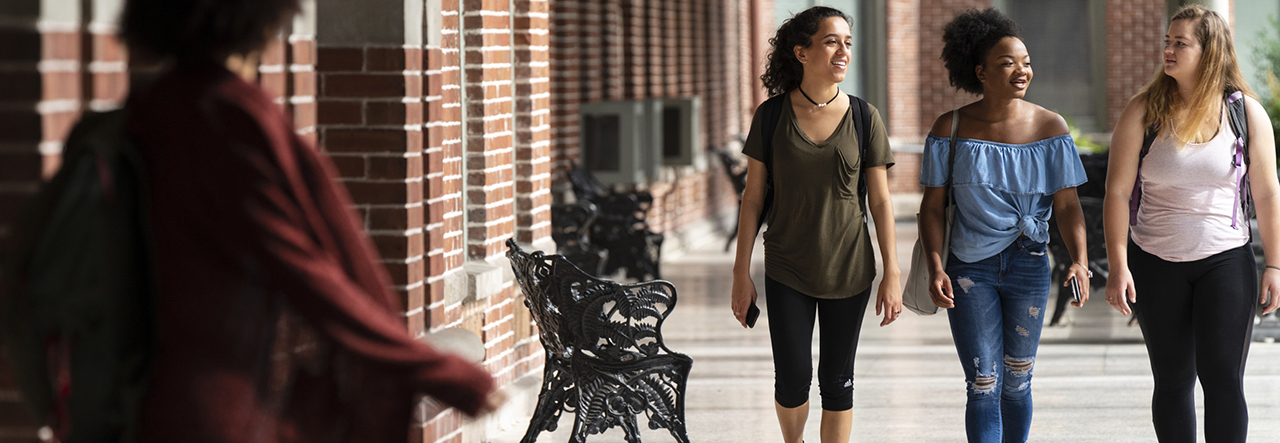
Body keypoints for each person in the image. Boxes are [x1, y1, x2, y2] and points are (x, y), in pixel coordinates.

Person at [117, 1, 502, 442]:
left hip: (148, 390)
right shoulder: (232, 116)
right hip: (226, 402)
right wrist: (438, 369)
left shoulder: (149, 107)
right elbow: (304, 269)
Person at [1102, 5, 1280, 442]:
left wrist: (1275, 265)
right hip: (1155, 261)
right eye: (1167, 41)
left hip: (1226, 261)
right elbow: (1116, 193)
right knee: (1173, 381)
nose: (1168, 49)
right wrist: (1119, 265)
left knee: (1222, 380)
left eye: (1181, 43)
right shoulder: (1142, 110)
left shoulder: (1245, 113)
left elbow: (1268, 193)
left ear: (1210, 51)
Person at [729, 6, 901, 443]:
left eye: (847, 42)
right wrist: (740, 272)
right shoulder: (770, 117)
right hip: (787, 265)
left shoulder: (865, 117)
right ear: (801, 52)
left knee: (838, 381)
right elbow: (752, 199)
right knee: (791, 379)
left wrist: (892, 273)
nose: (843, 51)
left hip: (850, 267)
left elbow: (880, 201)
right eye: (831, 41)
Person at [919, 8, 1090, 443]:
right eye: (1007, 62)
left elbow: (1068, 205)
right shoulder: (950, 128)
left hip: (1030, 266)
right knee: (983, 384)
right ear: (980, 71)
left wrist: (1080, 261)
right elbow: (933, 208)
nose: (1022, 70)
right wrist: (936, 266)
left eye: (1026, 61)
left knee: (1017, 383)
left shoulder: (1051, 127)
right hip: (969, 267)